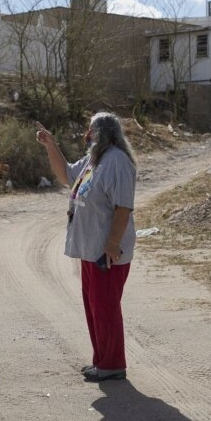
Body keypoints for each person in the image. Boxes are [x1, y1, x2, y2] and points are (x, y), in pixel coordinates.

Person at [36, 112, 137, 382]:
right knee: (95, 306)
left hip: (108, 252)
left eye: (90, 130)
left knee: (105, 307)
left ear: (102, 132)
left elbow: (123, 205)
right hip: (91, 250)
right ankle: (102, 360)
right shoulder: (94, 160)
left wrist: (113, 243)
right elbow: (66, 175)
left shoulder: (117, 161)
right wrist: (51, 145)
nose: (86, 134)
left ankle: (113, 363)